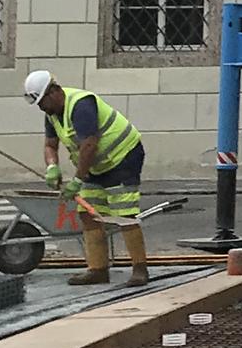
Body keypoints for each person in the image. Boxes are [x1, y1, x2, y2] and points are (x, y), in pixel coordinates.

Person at [25, 68, 150, 287]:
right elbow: (50, 145)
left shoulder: (81, 105)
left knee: (124, 213)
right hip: (95, 166)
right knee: (88, 215)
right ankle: (98, 269)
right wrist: (52, 167)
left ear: (54, 91)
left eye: (43, 101)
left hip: (123, 158)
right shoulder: (52, 114)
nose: (42, 108)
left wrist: (77, 180)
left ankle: (140, 270)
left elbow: (89, 145)